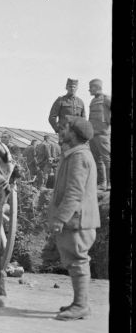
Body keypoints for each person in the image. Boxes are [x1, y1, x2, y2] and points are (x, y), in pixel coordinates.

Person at [49, 116, 100, 321]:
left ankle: (81, 305)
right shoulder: (73, 155)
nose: (63, 131)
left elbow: (74, 193)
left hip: (78, 221)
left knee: (78, 261)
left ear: (75, 134)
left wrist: (60, 219)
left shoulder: (79, 157)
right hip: (75, 220)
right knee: (73, 261)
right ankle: (78, 303)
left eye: (67, 128)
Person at [87, 78, 111, 190]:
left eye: (91, 87)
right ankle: (102, 183)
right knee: (97, 160)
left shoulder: (106, 99)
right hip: (93, 135)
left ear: (96, 87)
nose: (89, 90)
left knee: (107, 159)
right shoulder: (93, 101)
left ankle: (110, 183)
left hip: (102, 134)